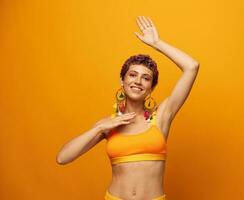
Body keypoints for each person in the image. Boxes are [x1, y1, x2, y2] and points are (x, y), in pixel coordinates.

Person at [56, 16, 200, 200]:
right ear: (122, 81)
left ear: (151, 87)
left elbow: (192, 67)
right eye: (132, 75)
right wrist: (100, 128)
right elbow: (63, 158)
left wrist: (157, 43)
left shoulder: (162, 117)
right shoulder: (108, 125)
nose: (138, 81)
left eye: (146, 78)